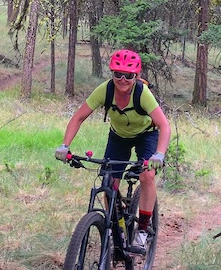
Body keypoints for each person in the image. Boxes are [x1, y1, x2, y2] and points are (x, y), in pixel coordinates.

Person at [55, 48, 171, 249]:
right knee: (109, 181)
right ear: (112, 73)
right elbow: (78, 117)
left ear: (136, 76)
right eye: (118, 74)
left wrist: (159, 154)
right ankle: (114, 227)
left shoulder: (142, 94)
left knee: (147, 176)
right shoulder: (105, 90)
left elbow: (164, 125)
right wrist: (65, 146)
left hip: (146, 135)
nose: (123, 79)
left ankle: (142, 231)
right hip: (119, 137)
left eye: (129, 75)